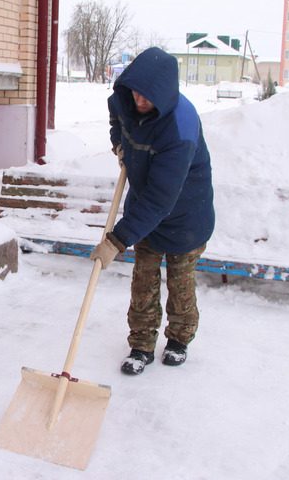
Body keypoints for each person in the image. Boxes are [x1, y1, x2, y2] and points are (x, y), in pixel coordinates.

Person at [90, 47, 214, 376]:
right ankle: (141, 344)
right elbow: (118, 117)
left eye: (147, 98)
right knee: (143, 281)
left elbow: (161, 198)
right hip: (146, 211)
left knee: (180, 281)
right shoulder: (125, 98)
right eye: (135, 94)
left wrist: (117, 240)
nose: (139, 102)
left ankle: (179, 338)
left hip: (185, 215)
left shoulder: (180, 128)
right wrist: (120, 144)